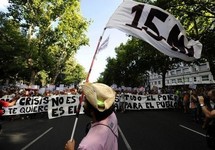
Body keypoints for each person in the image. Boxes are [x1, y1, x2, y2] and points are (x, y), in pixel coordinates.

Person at [65, 83, 118, 150]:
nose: (83, 102)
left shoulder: (88, 145)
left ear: (92, 112)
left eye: (86, 101)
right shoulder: (112, 117)